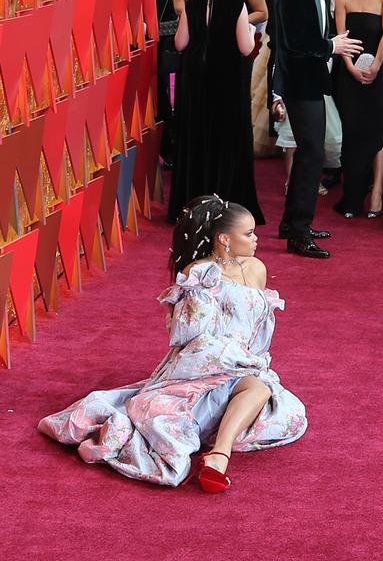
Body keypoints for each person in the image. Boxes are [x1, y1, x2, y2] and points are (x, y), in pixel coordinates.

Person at [38, 195, 308, 490]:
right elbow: (188, 335)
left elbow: (261, 325)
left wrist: (252, 360)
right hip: (201, 365)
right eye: (249, 233)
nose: (256, 240)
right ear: (224, 239)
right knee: (243, 392)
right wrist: (229, 357)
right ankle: (217, 449)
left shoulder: (257, 268)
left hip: (245, 364)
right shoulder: (198, 274)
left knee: (265, 391)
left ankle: (218, 455)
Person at [274, 0, 363, 257]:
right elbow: (297, 42)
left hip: (306, 80)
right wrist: (331, 46)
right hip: (301, 81)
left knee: (310, 154)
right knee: (311, 156)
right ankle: (299, 232)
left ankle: (291, 224)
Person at [168, 0, 263, 224]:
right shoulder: (236, 4)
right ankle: (226, 202)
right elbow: (245, 47)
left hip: (196, 80)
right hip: (227, 80)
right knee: (226, 139)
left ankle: (195, 201)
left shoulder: (193, 4)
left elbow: (180, 43)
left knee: (197, 137)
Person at [332, 0, 383, 218]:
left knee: (377, 129)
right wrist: (351, 67)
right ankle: (352, 195)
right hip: (348, 73)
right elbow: (341, 38)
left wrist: (376, 67)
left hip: (380, 70)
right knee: (351, 131)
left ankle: (378, 191)